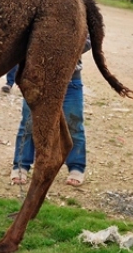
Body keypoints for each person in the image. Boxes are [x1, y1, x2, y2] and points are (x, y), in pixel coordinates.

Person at [10, 37, 91, 187]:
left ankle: (77, 167)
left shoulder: (83, 20)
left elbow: (88, 40)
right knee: (29, 123)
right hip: (37, 78)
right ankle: (20, 166)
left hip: (70, 81)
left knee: (74, 124)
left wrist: (59, 46)